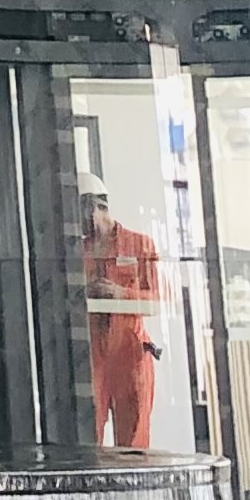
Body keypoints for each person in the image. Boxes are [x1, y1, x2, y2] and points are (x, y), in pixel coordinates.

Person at [81, 175, 165, 449]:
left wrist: (120, 294)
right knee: (87, 441)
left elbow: (155, 301)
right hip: (91, 356)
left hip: (130, 354)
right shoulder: (77, 252)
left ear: (95, 207)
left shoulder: (140, 245)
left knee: (133, 446)